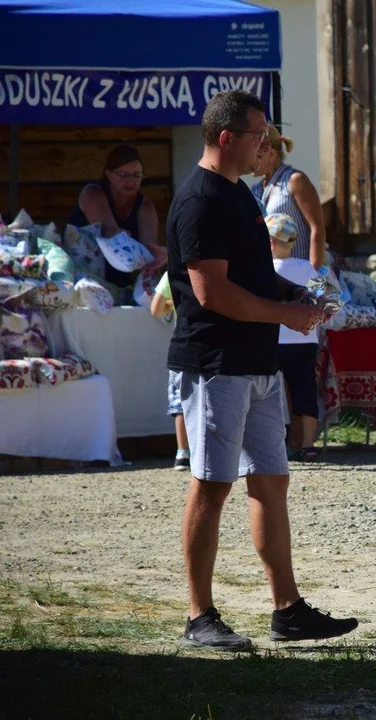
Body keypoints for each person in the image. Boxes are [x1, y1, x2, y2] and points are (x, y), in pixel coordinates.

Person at [167, 89, 357, 650]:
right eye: (259, 135)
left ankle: (287, 610)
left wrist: (303, 295)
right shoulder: (200, 199)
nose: (266, 145)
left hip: (256, 363)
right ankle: (199, 616)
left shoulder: (240, 195)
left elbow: (256, 274)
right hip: (216, 363)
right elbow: (212, 293)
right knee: (211, 486)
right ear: (227, 137)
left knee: (271, 481)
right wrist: (288, 313)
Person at [266, 213, 321, 461]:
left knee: (271, 394)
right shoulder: (306, 267)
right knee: (305, 390)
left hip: (274, 340)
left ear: (270, 242)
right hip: (306, 341)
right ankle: (307, 444)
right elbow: (331, 301)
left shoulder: (266, 271)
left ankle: (279, 442)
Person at [69, 143, 162, 287]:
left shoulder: (145, 207)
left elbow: (150, 252)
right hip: (82, 277)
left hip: (120, 278)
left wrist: (161, 256)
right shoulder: (92, 194)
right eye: (123, 174)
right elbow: (110, 232)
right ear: (109, 175)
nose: (130, 180)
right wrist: (124, 238)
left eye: (136, 175)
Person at [250, 126, 328, 269]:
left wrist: (313, 274)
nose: (250, 160)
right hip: (278, 275)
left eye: (257, 155)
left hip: (304, 270)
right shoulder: (255, 190)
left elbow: (317, 229)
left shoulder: (295, 181)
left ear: (272, 155)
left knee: (322, 291)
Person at [149, 272, 189, 471]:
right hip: (215, 343)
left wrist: (171, 306)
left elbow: (155, 309)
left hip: (183, 342)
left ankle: (182, 452)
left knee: (180, 398)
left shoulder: (172, 272)